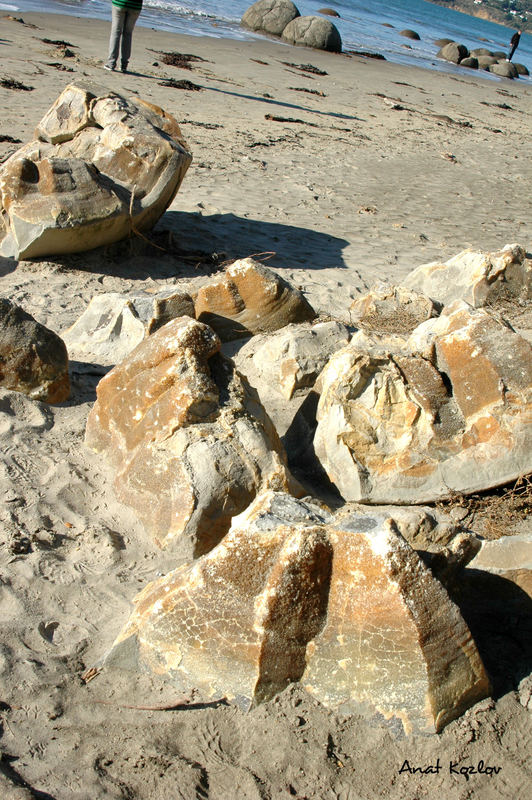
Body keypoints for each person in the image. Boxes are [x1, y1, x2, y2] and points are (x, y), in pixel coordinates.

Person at [104, 0, 143, 73]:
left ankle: (111, 63)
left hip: (120, 3)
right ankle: (124, 65)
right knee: (128, 34)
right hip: (135, 5)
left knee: (116, 32)